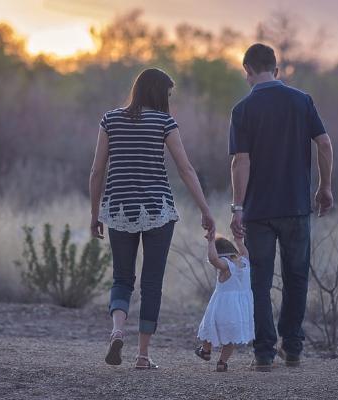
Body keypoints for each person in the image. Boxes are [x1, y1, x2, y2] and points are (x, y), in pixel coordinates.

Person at [89, 68, 215, 370]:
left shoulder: (110, 120)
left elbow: (96, 172)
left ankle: (118, 330)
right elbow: (185, 170)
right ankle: (143, 356)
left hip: (119, 210)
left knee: (122, 278)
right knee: (152, 283)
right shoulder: (164, 122)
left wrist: (95, 214)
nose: (169, 100)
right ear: (159, 93)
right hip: (158, 210)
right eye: (168, 94)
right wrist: (205, 210)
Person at [228, 43, 334, 371]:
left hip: (259, 211)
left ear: (247, 71)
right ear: (276, 69)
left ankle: (263, 353)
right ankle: (293, 348)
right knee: (296, 277)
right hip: (296, 206)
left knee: (259, 281)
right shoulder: (301, 101)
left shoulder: (242, 109)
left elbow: (240, 162)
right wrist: (324, 186)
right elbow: (325, 143)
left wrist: (237, 207)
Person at [195, 235, 254, 372]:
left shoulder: (226, 266)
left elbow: (213, 259)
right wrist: (239, 241)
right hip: (240, 310)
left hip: (222, 307)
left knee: (210, 327)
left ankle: (206, 350)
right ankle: (222, 362)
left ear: (221, 254)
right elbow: (245, 252)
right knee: (231, 337)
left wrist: (210, 242)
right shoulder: (244, 261)